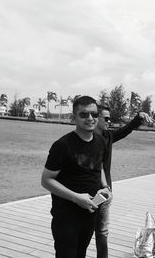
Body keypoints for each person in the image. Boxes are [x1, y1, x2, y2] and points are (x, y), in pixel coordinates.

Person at [41, 96, 112, 258]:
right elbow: (46, 180)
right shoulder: (62, 145)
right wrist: (76, 198)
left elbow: (99, 166)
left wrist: (105, 186)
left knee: (81, 254)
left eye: (94, 114)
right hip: (66, 216)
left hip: (90, 212)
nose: (90, 119)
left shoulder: (101, 141)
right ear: (74, 118)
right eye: (84, 115)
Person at [94, 105, 153, 258]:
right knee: (84, 232)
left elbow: (126, 130)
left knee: (102, 232)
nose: (109, 121)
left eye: (109, 118)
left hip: (105, 192)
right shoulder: (86, 137)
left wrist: (138, 117)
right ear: (96, 118)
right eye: (106, 118)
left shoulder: (108, 136)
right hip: (88, 192)